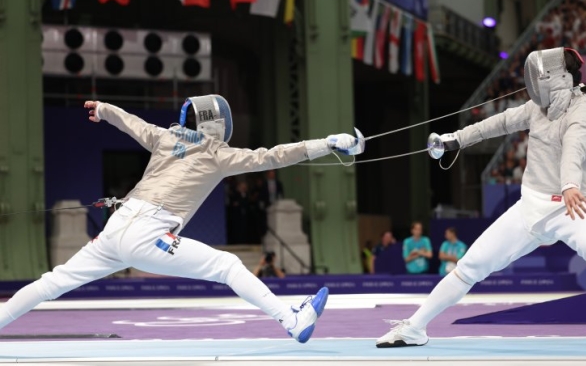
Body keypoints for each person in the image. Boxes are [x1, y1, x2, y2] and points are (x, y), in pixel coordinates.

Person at [0, 95, 363, 344]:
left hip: (116, 228)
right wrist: (327, 144)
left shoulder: (164, 137)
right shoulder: (217, 153)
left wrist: (105, 109)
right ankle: (292, 320)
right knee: (227, 265)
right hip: (148, 233)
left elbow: (132, 124)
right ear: (217, 125)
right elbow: (273, 156)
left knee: (52, 283)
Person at [377, 47, 586, 348]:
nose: (533, 83)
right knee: (471, 265)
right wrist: (455, 140)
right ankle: (414, 328)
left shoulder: (584, 111)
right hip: (531, 205)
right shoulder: (538, 108)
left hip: (571, 205)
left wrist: (568, 184)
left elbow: (574, 149)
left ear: (559, 78)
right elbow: (498, 123)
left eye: (539, 77)